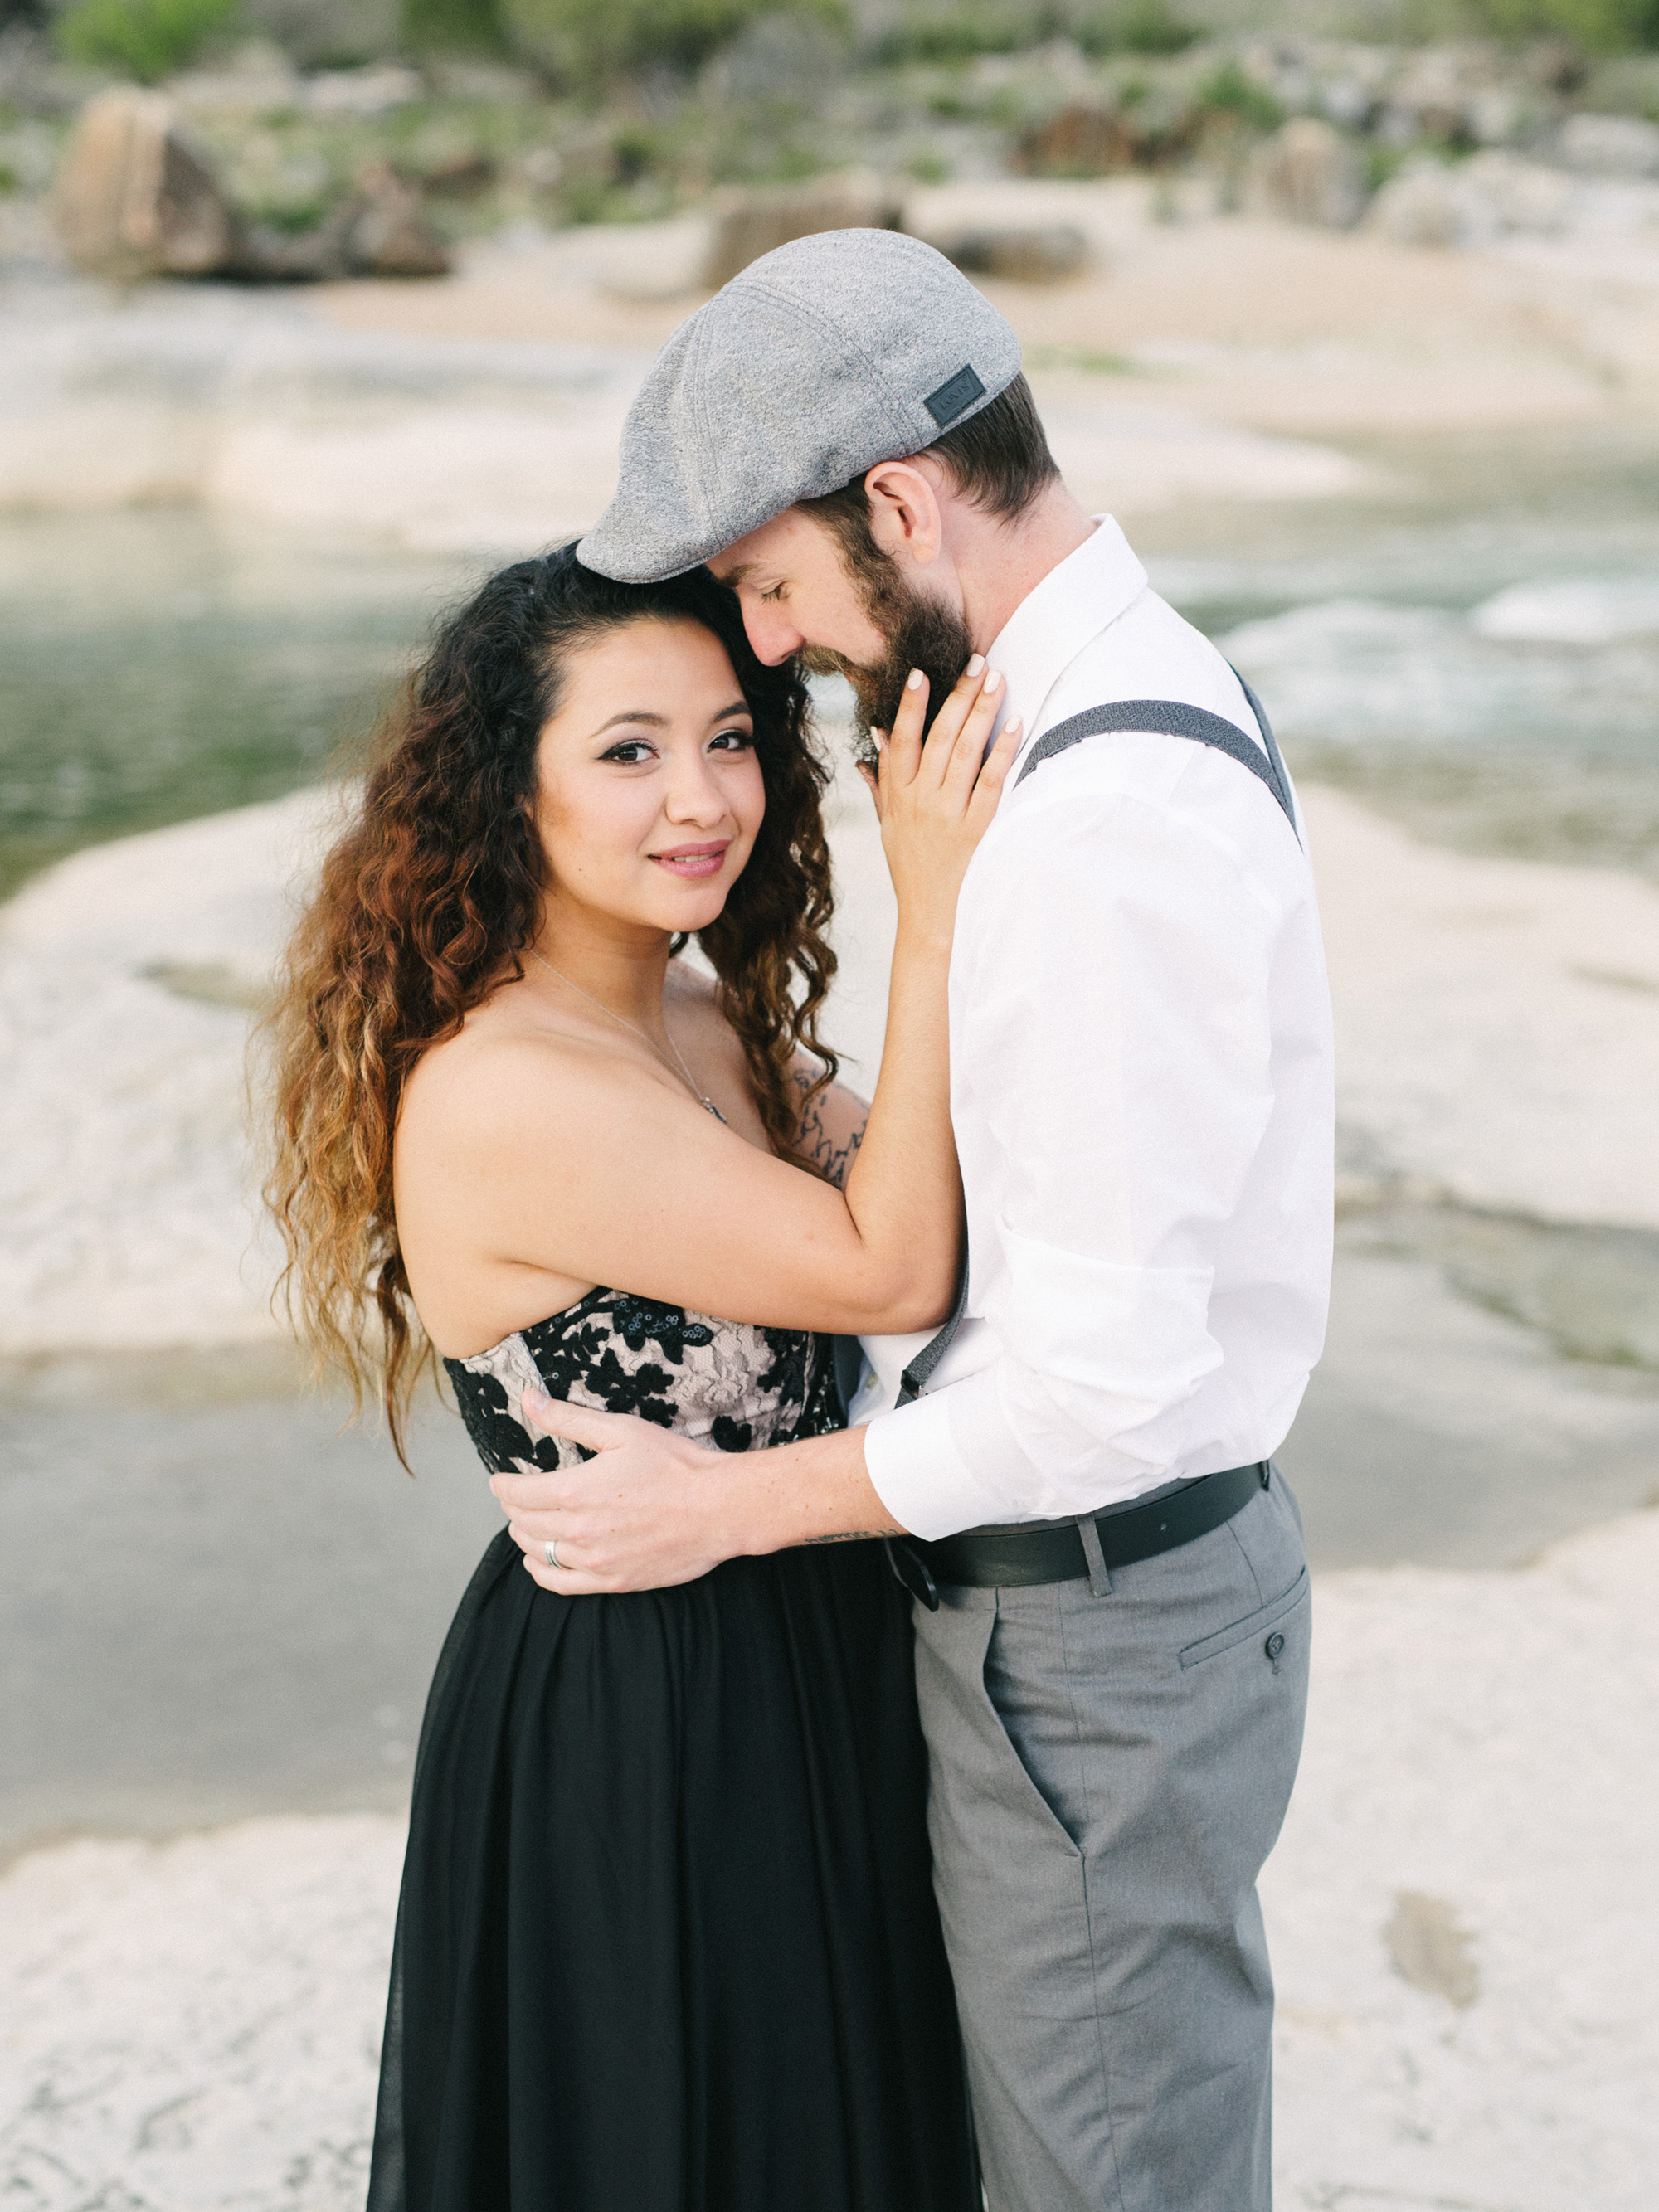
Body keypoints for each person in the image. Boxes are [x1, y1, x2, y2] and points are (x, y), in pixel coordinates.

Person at [494, 231, 1335, 2210]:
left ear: (896, 503)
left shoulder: (1095, 817)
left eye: (775, 586)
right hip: (1118, 1625)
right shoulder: (1125, 695)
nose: (775, 649)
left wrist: (723, 1506)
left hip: (1094, 1630)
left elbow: (1099, 1392)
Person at [262, 543, 1021, 2210]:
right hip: (645, 1700)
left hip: (812, 1643)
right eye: (627, 749)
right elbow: (892, 1262)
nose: (700, 795)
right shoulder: (506, 1086)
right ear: (505, 789)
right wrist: (936, 910)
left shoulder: (695, 1013)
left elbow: (941, 1180)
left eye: (731, 736)